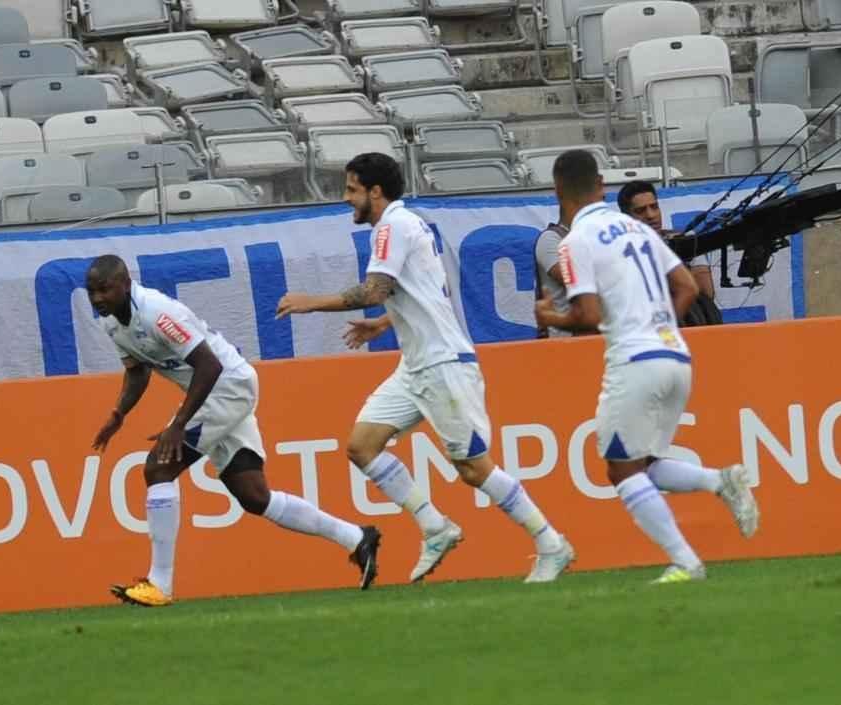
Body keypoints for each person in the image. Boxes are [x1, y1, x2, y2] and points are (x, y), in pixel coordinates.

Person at [276, 152, 574, 584]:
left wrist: (310, 302)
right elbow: (424, 290)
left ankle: (551, 543)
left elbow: (374, 290)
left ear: (375, 192)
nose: (346, 198)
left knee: (473, 468)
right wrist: (384, 323)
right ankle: (436, 527)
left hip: (443, 364)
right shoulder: (407, 225)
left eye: (352, 190)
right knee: (362, 446)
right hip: (416, 366)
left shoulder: (391, 226)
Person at [86, 254, 381, 606]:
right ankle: (356, 538)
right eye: (92, 291)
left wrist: (178, 425)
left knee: (159, 468)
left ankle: (159, 585)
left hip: (227, 386)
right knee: (254, 496)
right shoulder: (111, 323)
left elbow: (208, 366)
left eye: (104, 289)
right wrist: (119, 413)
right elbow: (137, 371)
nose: (97, 298)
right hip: (220, 390)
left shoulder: (156, 313)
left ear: (125, 284)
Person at [535, 151, 759, 584]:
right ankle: (720, 481)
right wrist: (658, 329)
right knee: (645, 463)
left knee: (620, 469)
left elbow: (586, 315)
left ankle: (686, 562)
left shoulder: (575, 242)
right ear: (601, 185)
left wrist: (551, 317)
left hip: (635, 361)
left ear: (558, 191)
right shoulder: (638, 229)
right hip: (676, 355)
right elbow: (688, 287)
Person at [616, 180, 722, 327]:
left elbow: (706, 291)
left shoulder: (685, 240)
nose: (650, 215)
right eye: (640, 211)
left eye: (654, 207)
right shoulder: (618, 251)